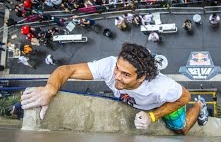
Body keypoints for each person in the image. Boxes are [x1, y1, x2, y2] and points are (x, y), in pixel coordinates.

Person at [20, 43, 209, 135]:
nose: (116, 77)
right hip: (137, 102)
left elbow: (184, 97)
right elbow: (66, 70)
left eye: (126, 75)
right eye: (118, 69)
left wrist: (153, 116)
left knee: (181, 131)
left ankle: (200, 105)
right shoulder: (109, 66)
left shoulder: (162, 87)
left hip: (163, 104)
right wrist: (49, 89)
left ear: (142, 77)